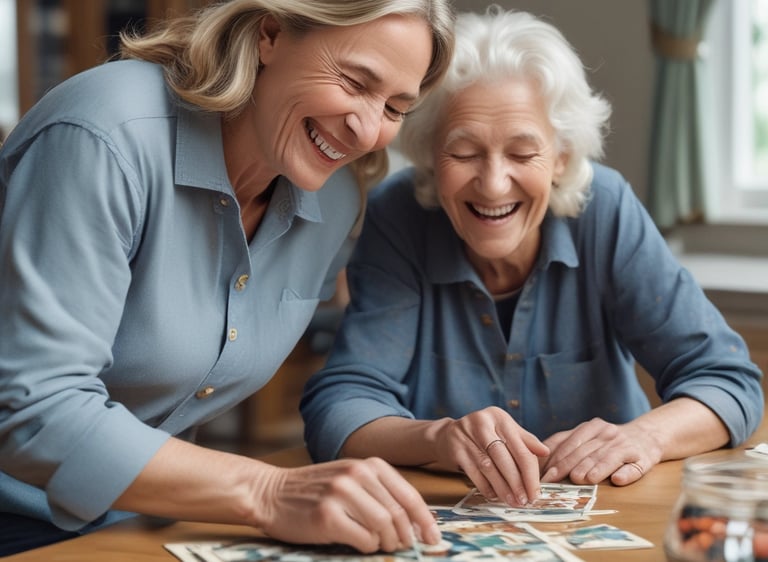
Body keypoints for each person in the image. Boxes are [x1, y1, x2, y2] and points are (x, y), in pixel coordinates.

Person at [0, 0, 455, 556]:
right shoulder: (105, 132)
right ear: (270, 35)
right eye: (355, 81)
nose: (366, 131)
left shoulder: (334, 196)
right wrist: (267, 490)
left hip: (141, 522)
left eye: (395, 107)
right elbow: (35, 408)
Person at [300, 5, 764, 512]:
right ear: (430, 155)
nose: (494, 183)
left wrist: (646, 436)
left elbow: (729, 381)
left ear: (562, 156)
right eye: (464, 153)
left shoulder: (604, 210)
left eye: (522, 154)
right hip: (446, 520)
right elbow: (339, 406)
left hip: (619, 511)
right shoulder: (400, 215)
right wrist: (436, 437)